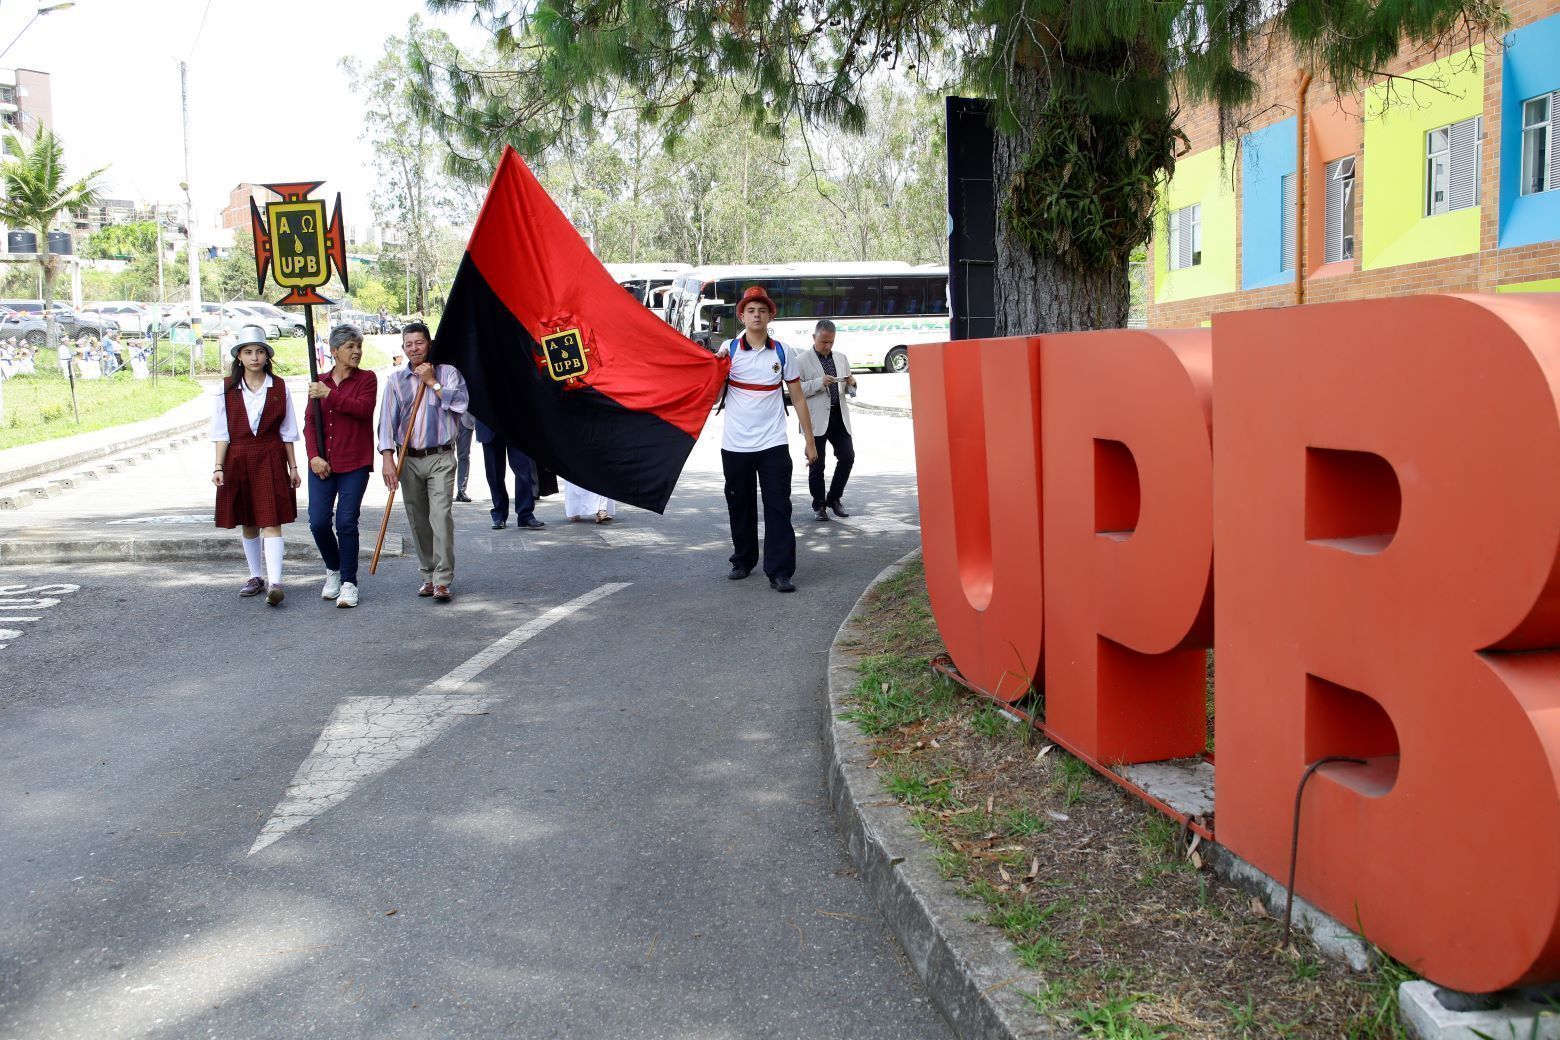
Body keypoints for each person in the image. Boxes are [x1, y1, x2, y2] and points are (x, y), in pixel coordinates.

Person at [713, 285, 817, 593]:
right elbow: (713, 392)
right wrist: (716, 368)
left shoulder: (783, 352)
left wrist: (809, 441)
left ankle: (780, 571)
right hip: (735, 446)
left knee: (778, 506)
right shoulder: (728, 351)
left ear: (770, 315)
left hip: (773, 444)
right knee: (739, 504)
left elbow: (798, 399)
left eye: (762, 310)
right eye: (750, 310)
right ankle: (742, 561)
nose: (756, 315)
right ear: (741, 316)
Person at [377, 321, 469, 602]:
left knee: (440, 516)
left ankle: (443, 580)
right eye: (409, 344)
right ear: (403, 348)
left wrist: (432, 382)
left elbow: (461, 404)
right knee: (418, 520)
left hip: (440, 455)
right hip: (409, 459)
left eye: (419, 343)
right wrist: (387, 459)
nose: (414, 348)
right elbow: (386, 424)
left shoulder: (448, 372)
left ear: (429, 344)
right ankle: (428, 575)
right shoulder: (396, 381)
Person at [212, 325, 302, 606]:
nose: (254, 357)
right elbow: (221, 431)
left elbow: (288, 431)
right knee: (248, 521)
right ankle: (255, 576)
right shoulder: (226, 389)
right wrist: (218, 466)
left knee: (271, 519)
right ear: (239, 356)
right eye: (248, 352)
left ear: (267, 356)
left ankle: (275, 582)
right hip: (237, 457)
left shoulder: (279, 387)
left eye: (259, 351)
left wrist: (294, 467)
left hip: (270, 456)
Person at [304, 324, 379, 609]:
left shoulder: (367, 379)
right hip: (323, 463)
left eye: (359, 346)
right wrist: (313, 456)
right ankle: (333, 570)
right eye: (350, 347)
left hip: (354, 463)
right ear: (334, 351)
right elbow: (310, 422)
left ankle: (349, 582)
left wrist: (329, 395)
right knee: (318, 521)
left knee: (346, 521)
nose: (357, 351)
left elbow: (363, 410)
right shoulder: (319, 382)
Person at [791, 318, 857, 521]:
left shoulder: (841, 358)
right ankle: (819, 505)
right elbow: (796, 391)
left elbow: (848, 387)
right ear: (814, 337)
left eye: (831, 342)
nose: (827, 346)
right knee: (817, 463)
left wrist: (852, 384)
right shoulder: (801, 360)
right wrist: (819, 383)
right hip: (815, 418)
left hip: (838, 415)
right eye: (823, 342)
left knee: (847, 457)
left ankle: (834, 498)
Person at [473, 417, 544, 530]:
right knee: (495, 474)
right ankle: (499, 514)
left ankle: (525, 514)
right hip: (489, 424)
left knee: (524, 469)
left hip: (515, 422)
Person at [454, 411, 474, 503]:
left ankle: (461, 491)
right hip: (445, 419)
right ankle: (441, 490)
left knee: (464, 457)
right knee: (443, 454)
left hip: (466, 419)